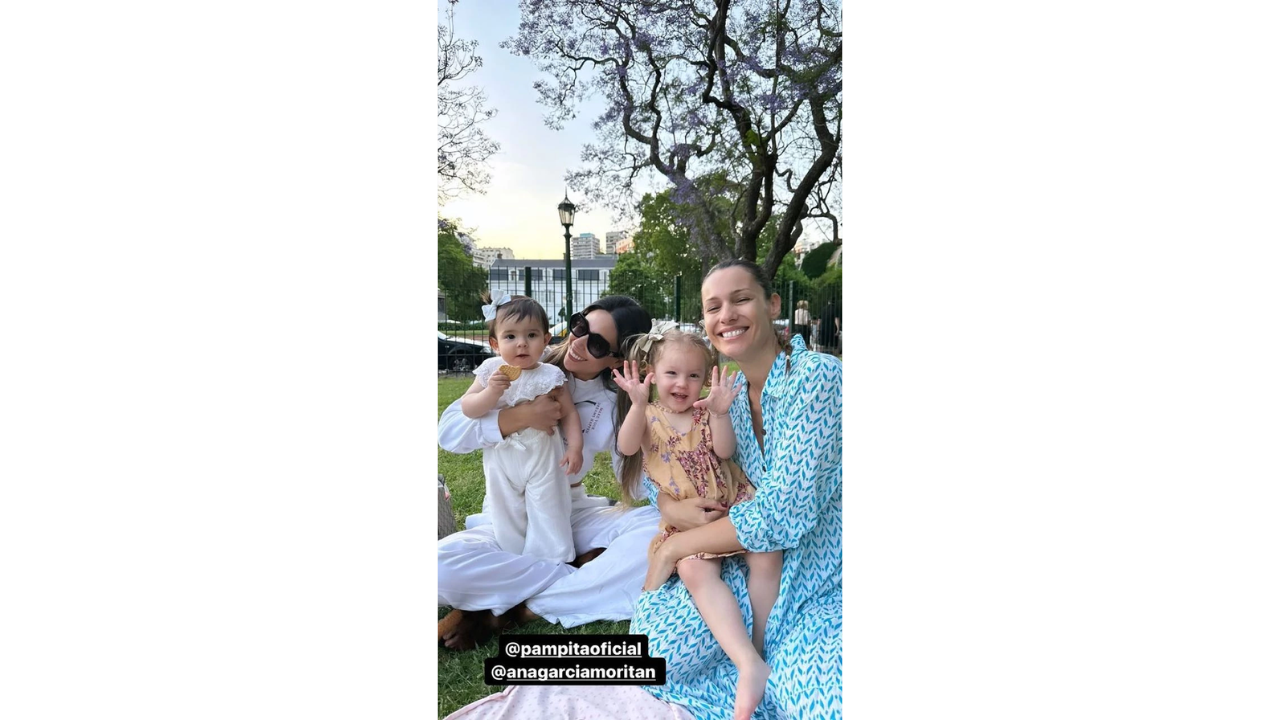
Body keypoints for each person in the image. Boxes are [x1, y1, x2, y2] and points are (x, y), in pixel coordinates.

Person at [631, 260, 843, 720]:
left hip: (821, 579)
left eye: (741, 299)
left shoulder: (816, 377)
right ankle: (752, 661)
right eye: (713, 306)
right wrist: (670, 504)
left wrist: (674, 549)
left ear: (772, 305)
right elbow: (672, 466)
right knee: (651, 657)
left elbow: (781, 516)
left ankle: (767, 663)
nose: (726, 314)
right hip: (743, 568)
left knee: (821, 702)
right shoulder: (726, 401)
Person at [436, 296, 664, 650]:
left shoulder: (618, 403)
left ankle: (516, 608)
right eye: (579, 326)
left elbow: (640, 481)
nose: (579, 343)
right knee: (440, 569)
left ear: (618, 359)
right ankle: (576, 575)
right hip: (506, 512)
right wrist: (519, 418)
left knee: (658, 531)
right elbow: (449, 432)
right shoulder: (517, 363)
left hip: (569, 511)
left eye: (599, 343)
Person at [613, 327, 784, 720]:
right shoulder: (650, 417)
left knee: (766, 554)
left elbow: (725, 451)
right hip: (689, 521)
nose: (683, 384)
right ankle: (746, 659)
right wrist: (637, 404)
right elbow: (625, 447)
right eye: (672, 373)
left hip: (732, 502)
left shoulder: (707, 413)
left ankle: (760, 647)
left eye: (694, 375)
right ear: (652, 374)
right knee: (693, 568)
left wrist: (721, 412)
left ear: (706, 379)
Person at [456, 294, 582, 562]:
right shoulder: (491, 370)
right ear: (495, 343)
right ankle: (511, 556)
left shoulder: (551, 374)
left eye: (532, 335)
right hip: (502, 455)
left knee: (549, 505)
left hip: (544, 455)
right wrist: (491, 393)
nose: (522, 343)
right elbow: (469, 408)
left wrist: (576, 446)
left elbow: (569, 413)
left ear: (546, 340)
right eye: (510, 336)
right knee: (505, 508)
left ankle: (553, 559)